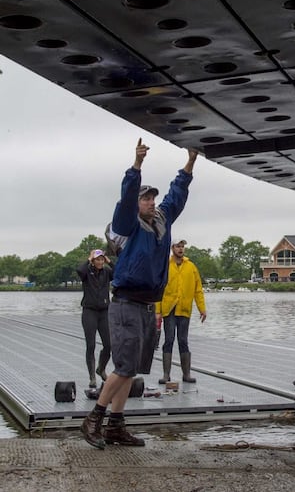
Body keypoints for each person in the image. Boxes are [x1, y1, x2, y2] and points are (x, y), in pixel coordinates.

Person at [81, 138, 200, 450]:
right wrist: (136, 165)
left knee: (132, 368)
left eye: (151, 199)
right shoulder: (127, 223)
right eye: (145, 198)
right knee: (122, 366)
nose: (150, 202)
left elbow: (177, 195)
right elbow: (126, 198)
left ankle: (116, 427)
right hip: (125, 304)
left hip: (148, 306)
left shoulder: (162, 220)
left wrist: (189, 164)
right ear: (137, 203)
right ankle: (94, 418)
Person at [156, 239, 207, 383]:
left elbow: (198, 290)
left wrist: (202, 309)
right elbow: (158, 289)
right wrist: (157, 311)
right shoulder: (165, 266)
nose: (181, 249)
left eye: (182, 246)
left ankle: (186, 374)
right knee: (169, 340)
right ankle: (166, 375)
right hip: (169, 309)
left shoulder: (191, 266)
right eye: (178, 246)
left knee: (183, 340)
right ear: (172, 248)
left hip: (184, 309)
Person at [76, 249, 114, 388]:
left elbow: (118, 272)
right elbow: (79, 271)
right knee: (90, 345)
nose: (100, 262)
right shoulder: (87, 272)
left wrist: (110, 261)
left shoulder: (107, 272)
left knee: (109, 344)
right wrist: (89, 257)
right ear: (93, 261)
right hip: (89, 311)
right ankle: (92, 376)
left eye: (102, 259)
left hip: (104, 311)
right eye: (97, 259)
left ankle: (101, 369)